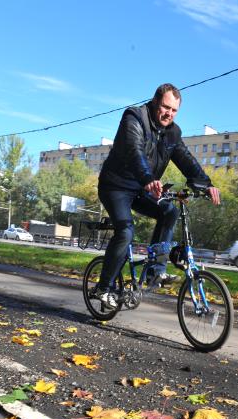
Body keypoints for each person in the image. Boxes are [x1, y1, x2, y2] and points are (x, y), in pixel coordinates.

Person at [96, 83, 221, 309]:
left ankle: (156, 271)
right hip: (115, 186)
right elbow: (135, 153)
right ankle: (103, 288)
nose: (168, 114)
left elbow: (186, 160)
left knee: (169, 211)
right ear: (155, 102)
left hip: (143, 188)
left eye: (174, 111)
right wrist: (148, 179)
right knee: (125, 230)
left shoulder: (173, 132)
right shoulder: (134, 117)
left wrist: (207, 185)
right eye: (165, 107)